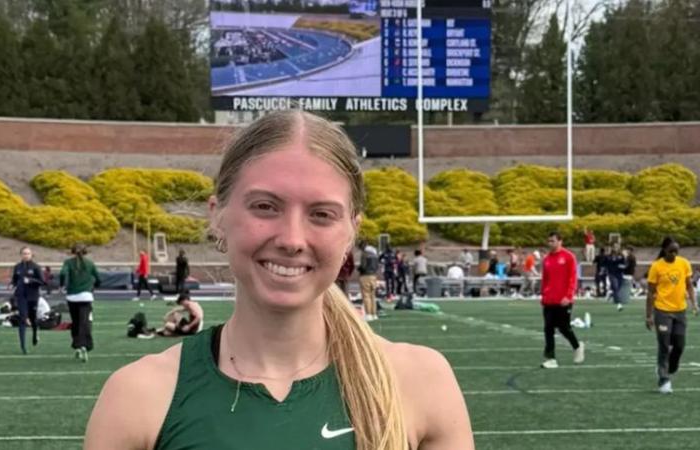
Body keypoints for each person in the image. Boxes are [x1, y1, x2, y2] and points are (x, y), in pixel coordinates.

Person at [84, 111, 473, 450]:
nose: (291, 239)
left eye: (321, 214)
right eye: (265, 207)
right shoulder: (138, 398)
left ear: (352, 232)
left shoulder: (420, 383)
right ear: (218, 216)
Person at [646, 237, 697, 394]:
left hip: (680, 311)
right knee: (664, 344)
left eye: (677, 250)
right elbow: (650, 292)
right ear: (665, 250)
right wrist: (649, 315)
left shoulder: (684, 264)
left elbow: (689, 286)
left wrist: (694, 304)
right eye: (671, 250)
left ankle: (671, 366)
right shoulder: (656, 267)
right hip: (662, 310)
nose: (674, 254)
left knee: (679, 345)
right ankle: (663, 378)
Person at [540, 232, 584, 369]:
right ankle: (551, 358)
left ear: (560, 241)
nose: (550, 244)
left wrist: (569, 296)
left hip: (563, 299)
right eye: (549, 241)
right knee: (548, 328)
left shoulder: (568, 257)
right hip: (549, 300)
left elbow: (573, 278)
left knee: (564, 327)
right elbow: (545, 279)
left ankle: (577, 346)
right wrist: (543, 295)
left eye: (553, 241)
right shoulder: (546, 259)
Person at [60, 243, 101, 363]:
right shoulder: (90, 263)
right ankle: (84, 344)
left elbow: (62, 273)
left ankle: (77, 344)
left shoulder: (68, 263)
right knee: (85, 322)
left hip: (72, 296)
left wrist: (62, 285)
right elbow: (98, 278)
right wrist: (95, 285)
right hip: (86, 296)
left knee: (76, 322)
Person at [9, 247, 44, 354]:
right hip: (21, 297)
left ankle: (34, 333)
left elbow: (42, 282)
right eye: (24, 253)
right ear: (21, 255)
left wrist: (31, 280)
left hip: (33, 296)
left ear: (31, 255)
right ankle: (23, 346)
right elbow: (14, 280)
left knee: (33, 319)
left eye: (28, 253)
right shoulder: (17, 267)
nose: (26, 255)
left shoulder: (36, 267)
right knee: (23, 319)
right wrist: (12, 285)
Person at [358, 240, 380, 322]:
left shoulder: (364, 254)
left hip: (365, 275)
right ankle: (374, 314)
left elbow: (363, 266)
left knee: (366, 295)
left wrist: (359, 268)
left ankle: (368, 314)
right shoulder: (374, 254)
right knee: (373, 295)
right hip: (373, 275)